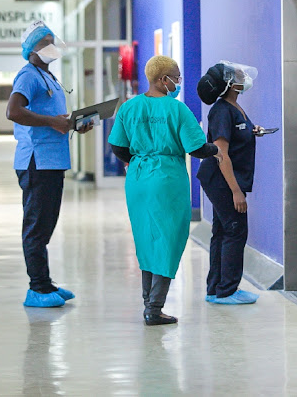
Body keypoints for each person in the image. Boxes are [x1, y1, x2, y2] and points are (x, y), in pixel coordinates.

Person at [108, 55, 221, 326]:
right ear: (163, 80)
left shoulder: (129, 108)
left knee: (147, 239)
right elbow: (196, 148)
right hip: (166, 180)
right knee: (168, 241)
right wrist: (217, 148)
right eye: (177, 77)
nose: (179, 82)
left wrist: (138, 158)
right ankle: (155, 308)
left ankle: (149, 303)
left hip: (137, 179)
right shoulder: (177, 110)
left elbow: (118, 147)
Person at [6, 20, 94, 308]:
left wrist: (73, 124)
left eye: (51, 41)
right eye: (44, 43)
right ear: (32, 49)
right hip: (36, 161)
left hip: (53, 162)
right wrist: (52, 122)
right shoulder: (28, 76)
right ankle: (37, 289)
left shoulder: (49, 77)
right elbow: (14, 111)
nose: (51, 47)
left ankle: (46, 283)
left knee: (45, 225)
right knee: (35, 226)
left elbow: (54, 120)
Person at [196, 61, 264, 305]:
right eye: (236, 74)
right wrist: (237, 192)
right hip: (222, 180)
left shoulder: (234, 107)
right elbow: (221, 154)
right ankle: (227, 290)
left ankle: (215, 289)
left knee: (222, 231)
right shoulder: (222, 110)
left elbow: (237, 134)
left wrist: (251, 131)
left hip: (223, 179)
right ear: (228, 84)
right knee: (235, 230)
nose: (243, 75)